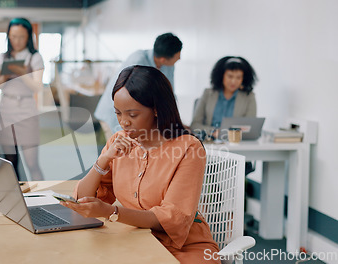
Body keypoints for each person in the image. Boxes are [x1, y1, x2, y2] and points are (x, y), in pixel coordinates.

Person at [61, 65, 220, 263]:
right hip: (135, 239)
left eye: (132, 115)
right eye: (118, 113)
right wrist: (104, 160)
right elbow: (83, 199)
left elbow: (172, 219)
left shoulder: (188, 148)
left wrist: (111, 212)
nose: (123, 122)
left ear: (155, 109)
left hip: (185, 247)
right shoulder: (118, 142)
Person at [94, 32, 182, 140]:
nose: (180, 58)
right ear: (163, 59)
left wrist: (176, 123)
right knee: (119, 151)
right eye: (178, 56)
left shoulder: (168, 65)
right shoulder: (138, 61)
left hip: (135, 117)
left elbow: (168, 94)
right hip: (114, 114)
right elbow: (130, 97)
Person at [0, 17, 44, 181]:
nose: (17, 41)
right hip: (7, 108)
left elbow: (38, 87)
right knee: (10, 161)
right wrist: (6, 75)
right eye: (13, 36)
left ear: (29, 36)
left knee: (31, 162)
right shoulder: (3, 56)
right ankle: (15, 197)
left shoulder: (34, 57)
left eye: (21, 37)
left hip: (26, 109)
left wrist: (22, 73)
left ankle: (43, 197)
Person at [190, 56, 257, 140]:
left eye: (238, 77)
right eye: (230, 76)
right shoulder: (207, 93)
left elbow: (250, 127)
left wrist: (230, 134)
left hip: (235, 143)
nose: (233, 81)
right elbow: (195, 124)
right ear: (222, 76)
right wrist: (213, 132)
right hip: (210, 142)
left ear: (243, 79)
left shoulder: (249, 97)